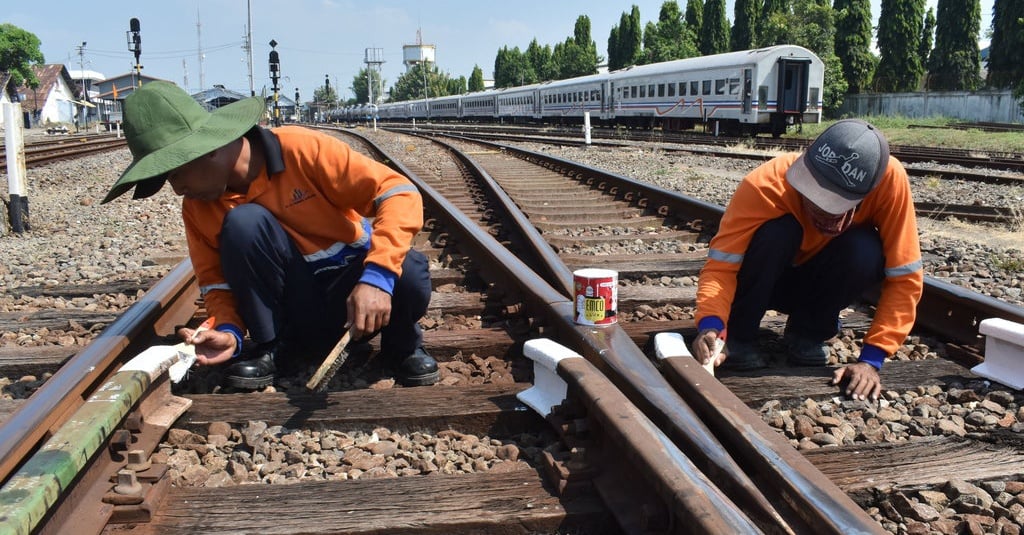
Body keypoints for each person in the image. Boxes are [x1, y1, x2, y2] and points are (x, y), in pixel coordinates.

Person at [103, 81, 437, 389]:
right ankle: (273, 346)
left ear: (208, 148)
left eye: (175, 174)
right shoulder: (198, 207)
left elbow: (398, 192)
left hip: (353, 301)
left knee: (406, 270)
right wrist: (229, 332)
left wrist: (377, 278)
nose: (177, 190)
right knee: (244, 222)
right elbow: (216, 283)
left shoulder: (301, 148)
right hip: (296, 313)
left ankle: (402, 345)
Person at [690, 119, 923, 402]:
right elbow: (721, 267)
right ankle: (739, 335)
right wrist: (712, 324)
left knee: (865, 248)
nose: (819, 209)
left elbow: (905, 275)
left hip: (819, 284)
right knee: (779, 231)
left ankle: (807, 333)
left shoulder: (889, 181)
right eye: (812, 195)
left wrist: (871, 359)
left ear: (865, 195)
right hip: (765, 280)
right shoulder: (765, 184)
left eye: (833, 207)